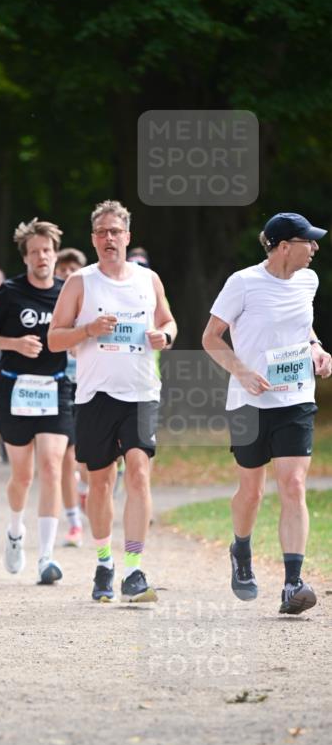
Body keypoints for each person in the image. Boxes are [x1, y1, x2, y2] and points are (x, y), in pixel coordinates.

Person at [202, 212, 330, 615]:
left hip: (295, 398)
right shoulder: (243, 283)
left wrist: (317, 349)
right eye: (307, 241)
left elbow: (304, 330)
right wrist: (242, 371)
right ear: (283, 247)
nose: (315, 248)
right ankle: (241, 549)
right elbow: (210, 338)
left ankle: (293, 584)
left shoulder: (309, 281)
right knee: (252, 492)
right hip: (249, 403)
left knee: (293, 485)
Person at [49, 199, 177, 603]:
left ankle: (135, 570)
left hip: (141, 392)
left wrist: (166, 336)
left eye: (115, 231)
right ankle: (104, 561)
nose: (109, 238)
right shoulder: (80, 283)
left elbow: (168, 321)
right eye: (101, 232)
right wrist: (87, 329)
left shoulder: (148, 279)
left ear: (127, 236)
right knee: (100, 481)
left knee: (138, 472)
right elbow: (54, 338)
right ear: (93, 238)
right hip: (95, 395)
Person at [0, 218, 74, 585]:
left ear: (55, 253)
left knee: (51, 465)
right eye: (34, 252)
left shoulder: (68, 291)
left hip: (57, 388)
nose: (42, 257)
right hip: (16, 389)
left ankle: (47, 556)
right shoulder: (10, 292)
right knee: (23, 475)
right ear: (26, 257)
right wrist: (14, 344)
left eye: (47, 250)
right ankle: (15, 530)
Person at [55, 248, 88, 547]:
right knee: (67, 457)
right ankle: (74, 521)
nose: (66, 274)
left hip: (93, 386)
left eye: (72, 269)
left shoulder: (95, 302)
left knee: (89, 462)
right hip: (62, 385)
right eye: (61, 269)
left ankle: (87, 488)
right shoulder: (53, 306)